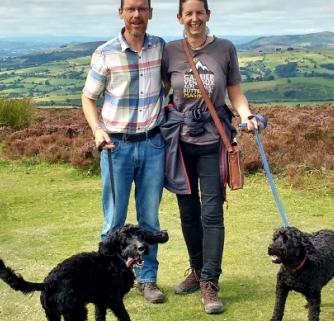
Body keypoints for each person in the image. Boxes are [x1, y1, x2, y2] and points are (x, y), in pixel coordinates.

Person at [160, 0, 261, 314]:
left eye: (199, 13)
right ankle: (197, 270)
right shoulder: (170, 51)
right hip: (180, 143)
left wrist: (246, 115)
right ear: (180, 17)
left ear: (208, 16)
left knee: (212, 214)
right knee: (188, 214)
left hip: (213, 141)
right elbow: (161, 91)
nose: (194, 19)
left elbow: (235, 92)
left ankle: (210, 282)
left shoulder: (225, 48)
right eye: (188, 14)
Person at [81, 0, 167, 304]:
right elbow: (88, 97)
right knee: (114, 222)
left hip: (153, 144)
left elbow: (169, 83)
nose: (136, 15)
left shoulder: (160, 47)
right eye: (130, 8)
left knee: (150, 221)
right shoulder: (105, 53)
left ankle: (147, 280)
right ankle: (107, 280)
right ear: (121, 13)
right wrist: (97, 130)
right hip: (115, 147)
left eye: (142, 8)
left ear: (150, 13)